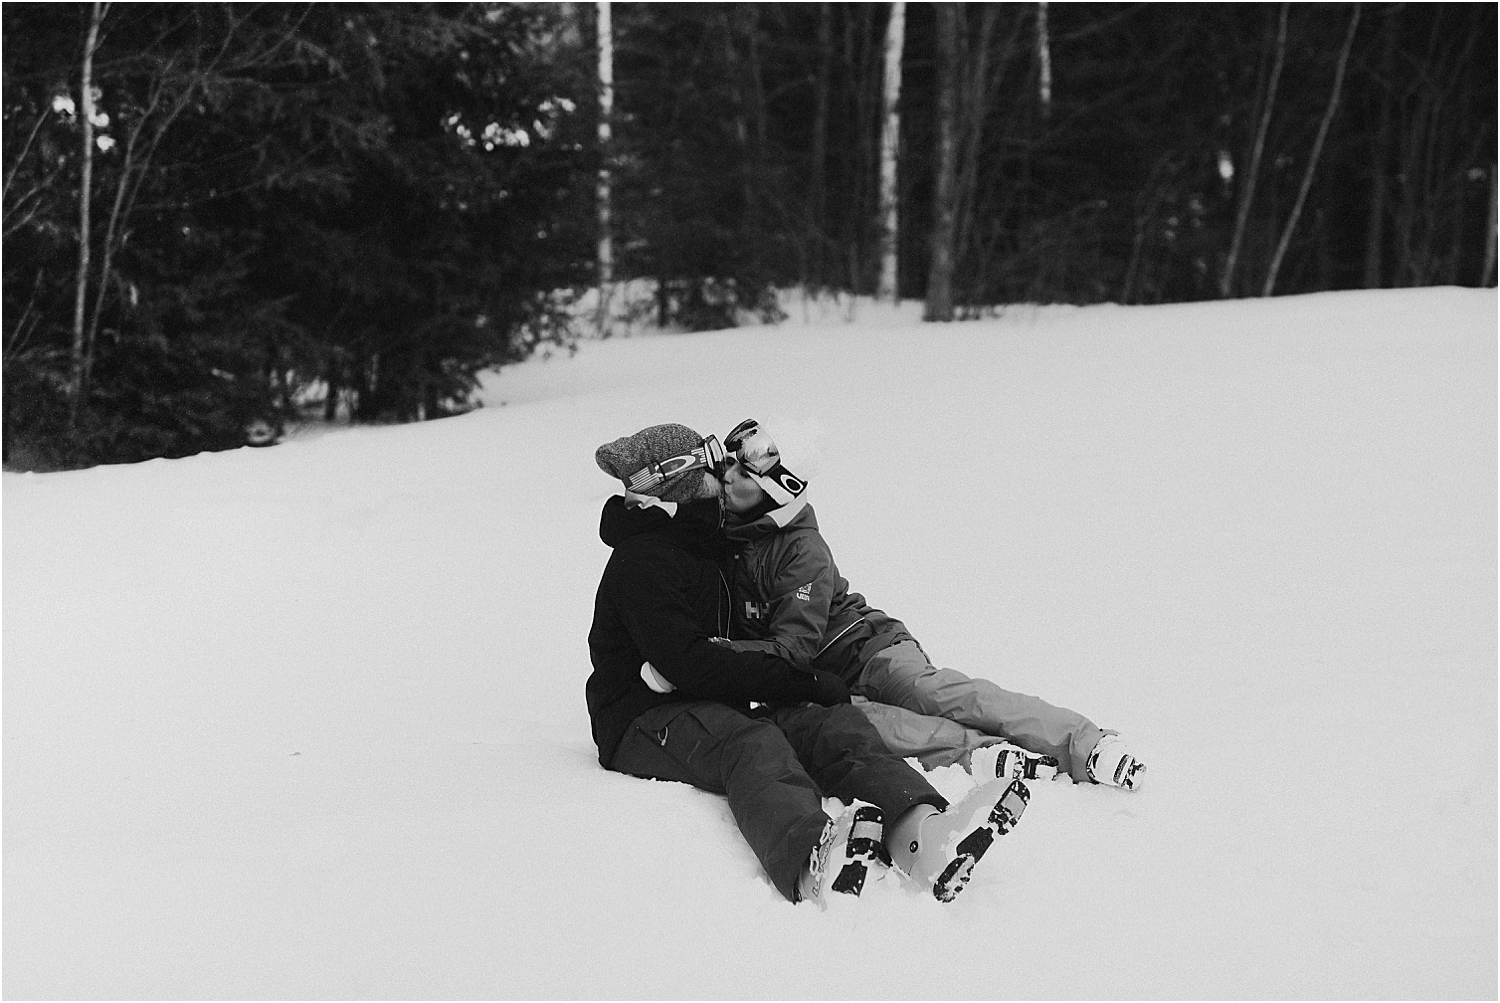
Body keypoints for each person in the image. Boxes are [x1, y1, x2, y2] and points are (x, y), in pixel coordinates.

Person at [587, 422, 1031, 906]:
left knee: (829, 725)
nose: (726, 482)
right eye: (714, 474)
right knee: (750, 744)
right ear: (677, 488)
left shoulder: (708, 550)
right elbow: (688, 663)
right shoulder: (643, 561)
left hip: (712, 700)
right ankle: (810, 861)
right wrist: (797, 678)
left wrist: (805, 687)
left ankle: (921, 831)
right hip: (639, 720)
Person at [716, 418, 1146, 791]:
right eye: (730, 465)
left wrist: (711, 654)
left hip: (868, 648)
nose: (728, 477)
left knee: (930, 692)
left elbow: (794, 648)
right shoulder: (725, 530)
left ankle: (1085, 744)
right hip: (815, 681)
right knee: (869, 722)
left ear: (775, 492)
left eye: (744, 474)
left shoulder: (800, 550)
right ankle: (980, 755)